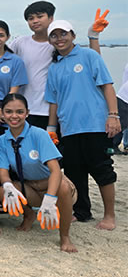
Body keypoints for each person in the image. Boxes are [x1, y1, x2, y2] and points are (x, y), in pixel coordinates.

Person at [46, 20, 118, 230]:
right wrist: (51, 128)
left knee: (102, 169)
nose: (59, 39)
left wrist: (113, 115)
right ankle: (81, 211)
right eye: (54, 35)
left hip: (95, 124)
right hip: (68, 127)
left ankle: (109, 216)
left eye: (63, 34)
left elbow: (107, 86)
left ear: (73, 35)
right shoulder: (55, 66)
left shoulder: (89, 56)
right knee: (75, 172)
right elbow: (54, 100)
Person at [0, 94, 77, 252]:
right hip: (29, 187)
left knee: (63, 188)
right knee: (3, 191)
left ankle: (65, 236)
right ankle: (29, 215)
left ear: (27, 113)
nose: (14, 116)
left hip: (53, 184)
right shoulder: (1, 141)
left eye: (19, 111)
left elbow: (56, 171)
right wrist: (8, 186)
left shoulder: (39, 134)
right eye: (9, 112)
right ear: (2, 114)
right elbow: (3, 173)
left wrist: (50, 199)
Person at [11, 1, 101, 129]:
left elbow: (93, 61)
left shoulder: (59, 43)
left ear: (51, 18)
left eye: (40, 16)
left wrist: (93, 36)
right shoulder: (20, 42)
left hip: (56, 109)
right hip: (27, 109)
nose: (35, 21)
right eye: (31, 18)